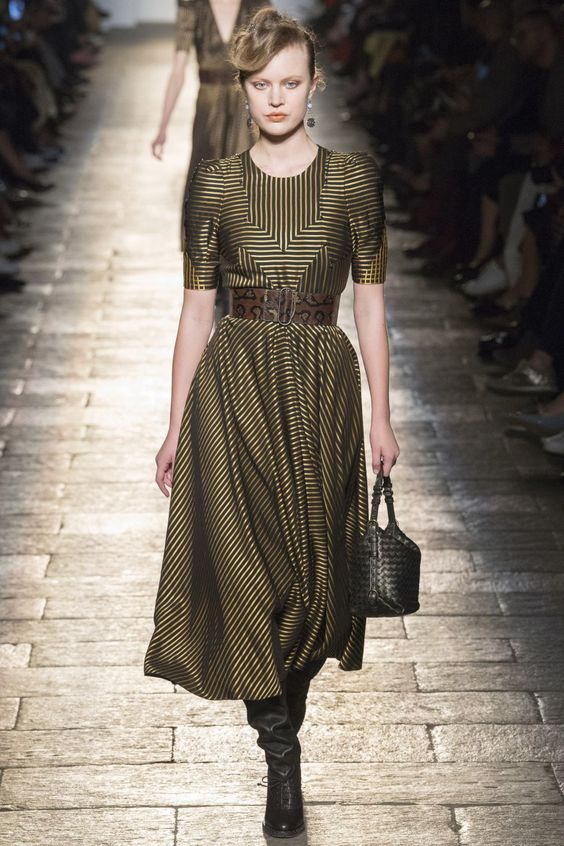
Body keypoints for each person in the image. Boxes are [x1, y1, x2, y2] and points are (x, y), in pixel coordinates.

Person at [144, 7, 399, 839]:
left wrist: (384, 417)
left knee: (315, 581)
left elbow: (372, 305)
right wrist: (174, 425)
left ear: (315, 85)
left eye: (291, 82)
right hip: (235, 386)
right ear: (245, 89)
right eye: (262, 85)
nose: (277, 98)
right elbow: (195, 312)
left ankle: (287, 719)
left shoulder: (353, 181)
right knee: (251, 572)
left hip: (324, 388)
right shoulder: (215, 184)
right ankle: (279, 757)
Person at [151, 0, 271, 320]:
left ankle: (239, 272)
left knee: (244, 186)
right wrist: (162, 126)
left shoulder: (257, 5)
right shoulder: (192, 7)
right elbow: (178, 67)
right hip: (208, 107)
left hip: (246, 107)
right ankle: (212, 272)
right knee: (207, 187)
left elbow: (271, 64)